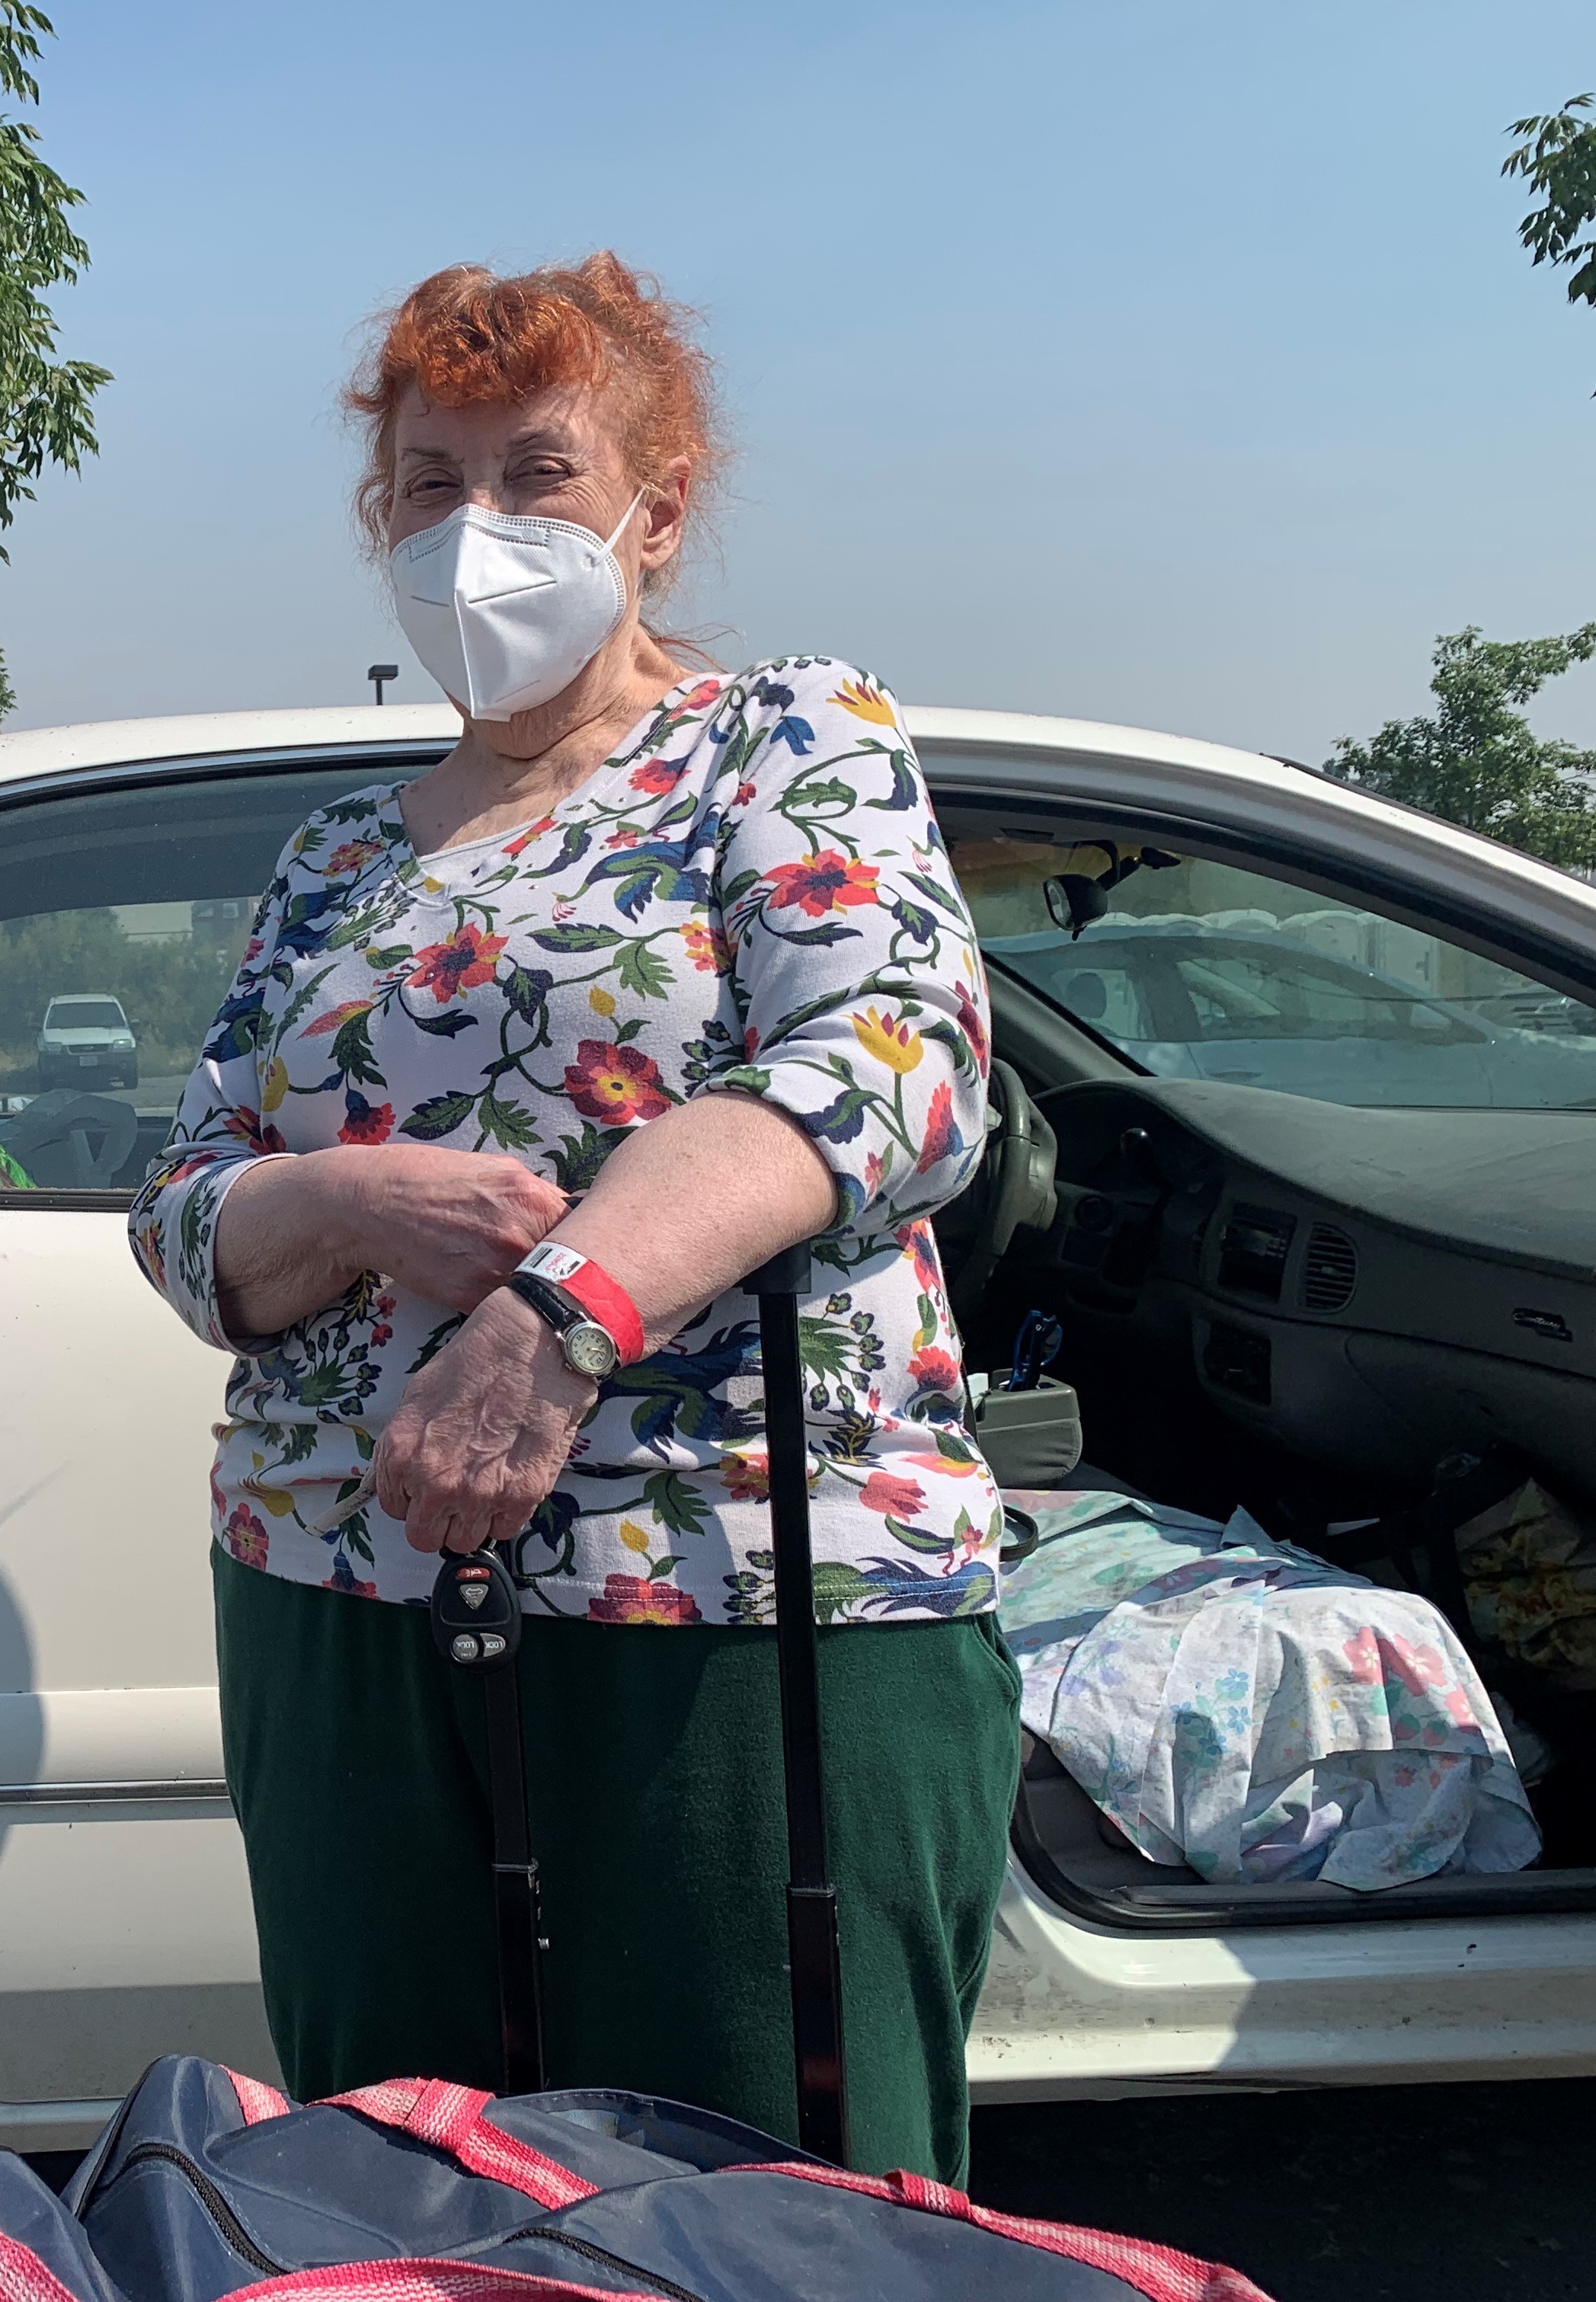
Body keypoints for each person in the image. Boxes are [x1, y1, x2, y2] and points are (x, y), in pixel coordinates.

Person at [126, 254, 1018, 2183]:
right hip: (337, 1606)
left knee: (768, 2193)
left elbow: (889, 1064)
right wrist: (341, 1195)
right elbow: (189, 1212)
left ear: (652, 508)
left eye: (536, 472)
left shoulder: (780, 742)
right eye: (430, 483)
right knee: (390, 2179)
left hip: (727, 1601)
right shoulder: (337, 854)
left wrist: (554, 1314)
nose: (479, 531)